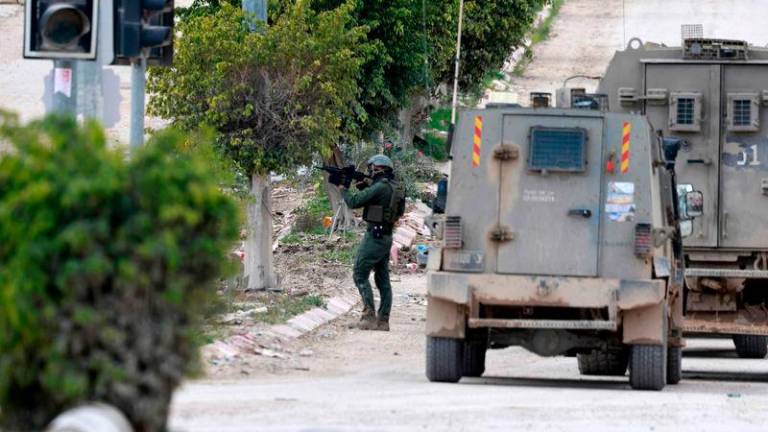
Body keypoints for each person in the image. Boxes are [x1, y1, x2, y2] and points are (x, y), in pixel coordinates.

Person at [340, 154, 404, 331]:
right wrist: (364, 185)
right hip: (386, 236)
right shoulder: (395, 187)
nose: (370, 172)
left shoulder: (380, 187)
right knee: (382, 278)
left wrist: (343, 187)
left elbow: (353, 202)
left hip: (374, 237)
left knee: (359, 273)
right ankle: (383, 321)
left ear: (378, 169)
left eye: (371, 169)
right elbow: (393, 209)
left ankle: (368, 317)